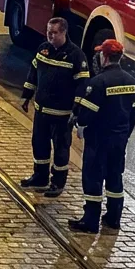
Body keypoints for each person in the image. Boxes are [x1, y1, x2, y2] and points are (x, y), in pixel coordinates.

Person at [68, 39, 135, 233]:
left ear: (104, 56)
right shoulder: (132, 82)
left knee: (93, 178)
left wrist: (80, 125)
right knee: (115, 178)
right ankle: (113, 218)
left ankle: (90, 221)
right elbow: (134, 113)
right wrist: (125, 135)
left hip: (99, 140)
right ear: (121, 57)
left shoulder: (98, 83)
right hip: (119, 140)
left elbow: (87, 115)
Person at [19, 17, 89, 197]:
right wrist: (26, 96)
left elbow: (82, 84)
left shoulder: (76, 55)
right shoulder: (43, 50)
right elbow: (33, 73)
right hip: (41, 111)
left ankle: (58, 181)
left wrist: (77, 110)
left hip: (61, 114)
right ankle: (40, 177)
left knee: (61, 149)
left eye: (54, 33)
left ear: (64, 32)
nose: (50, 36)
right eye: (48, 32)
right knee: (39, 145)